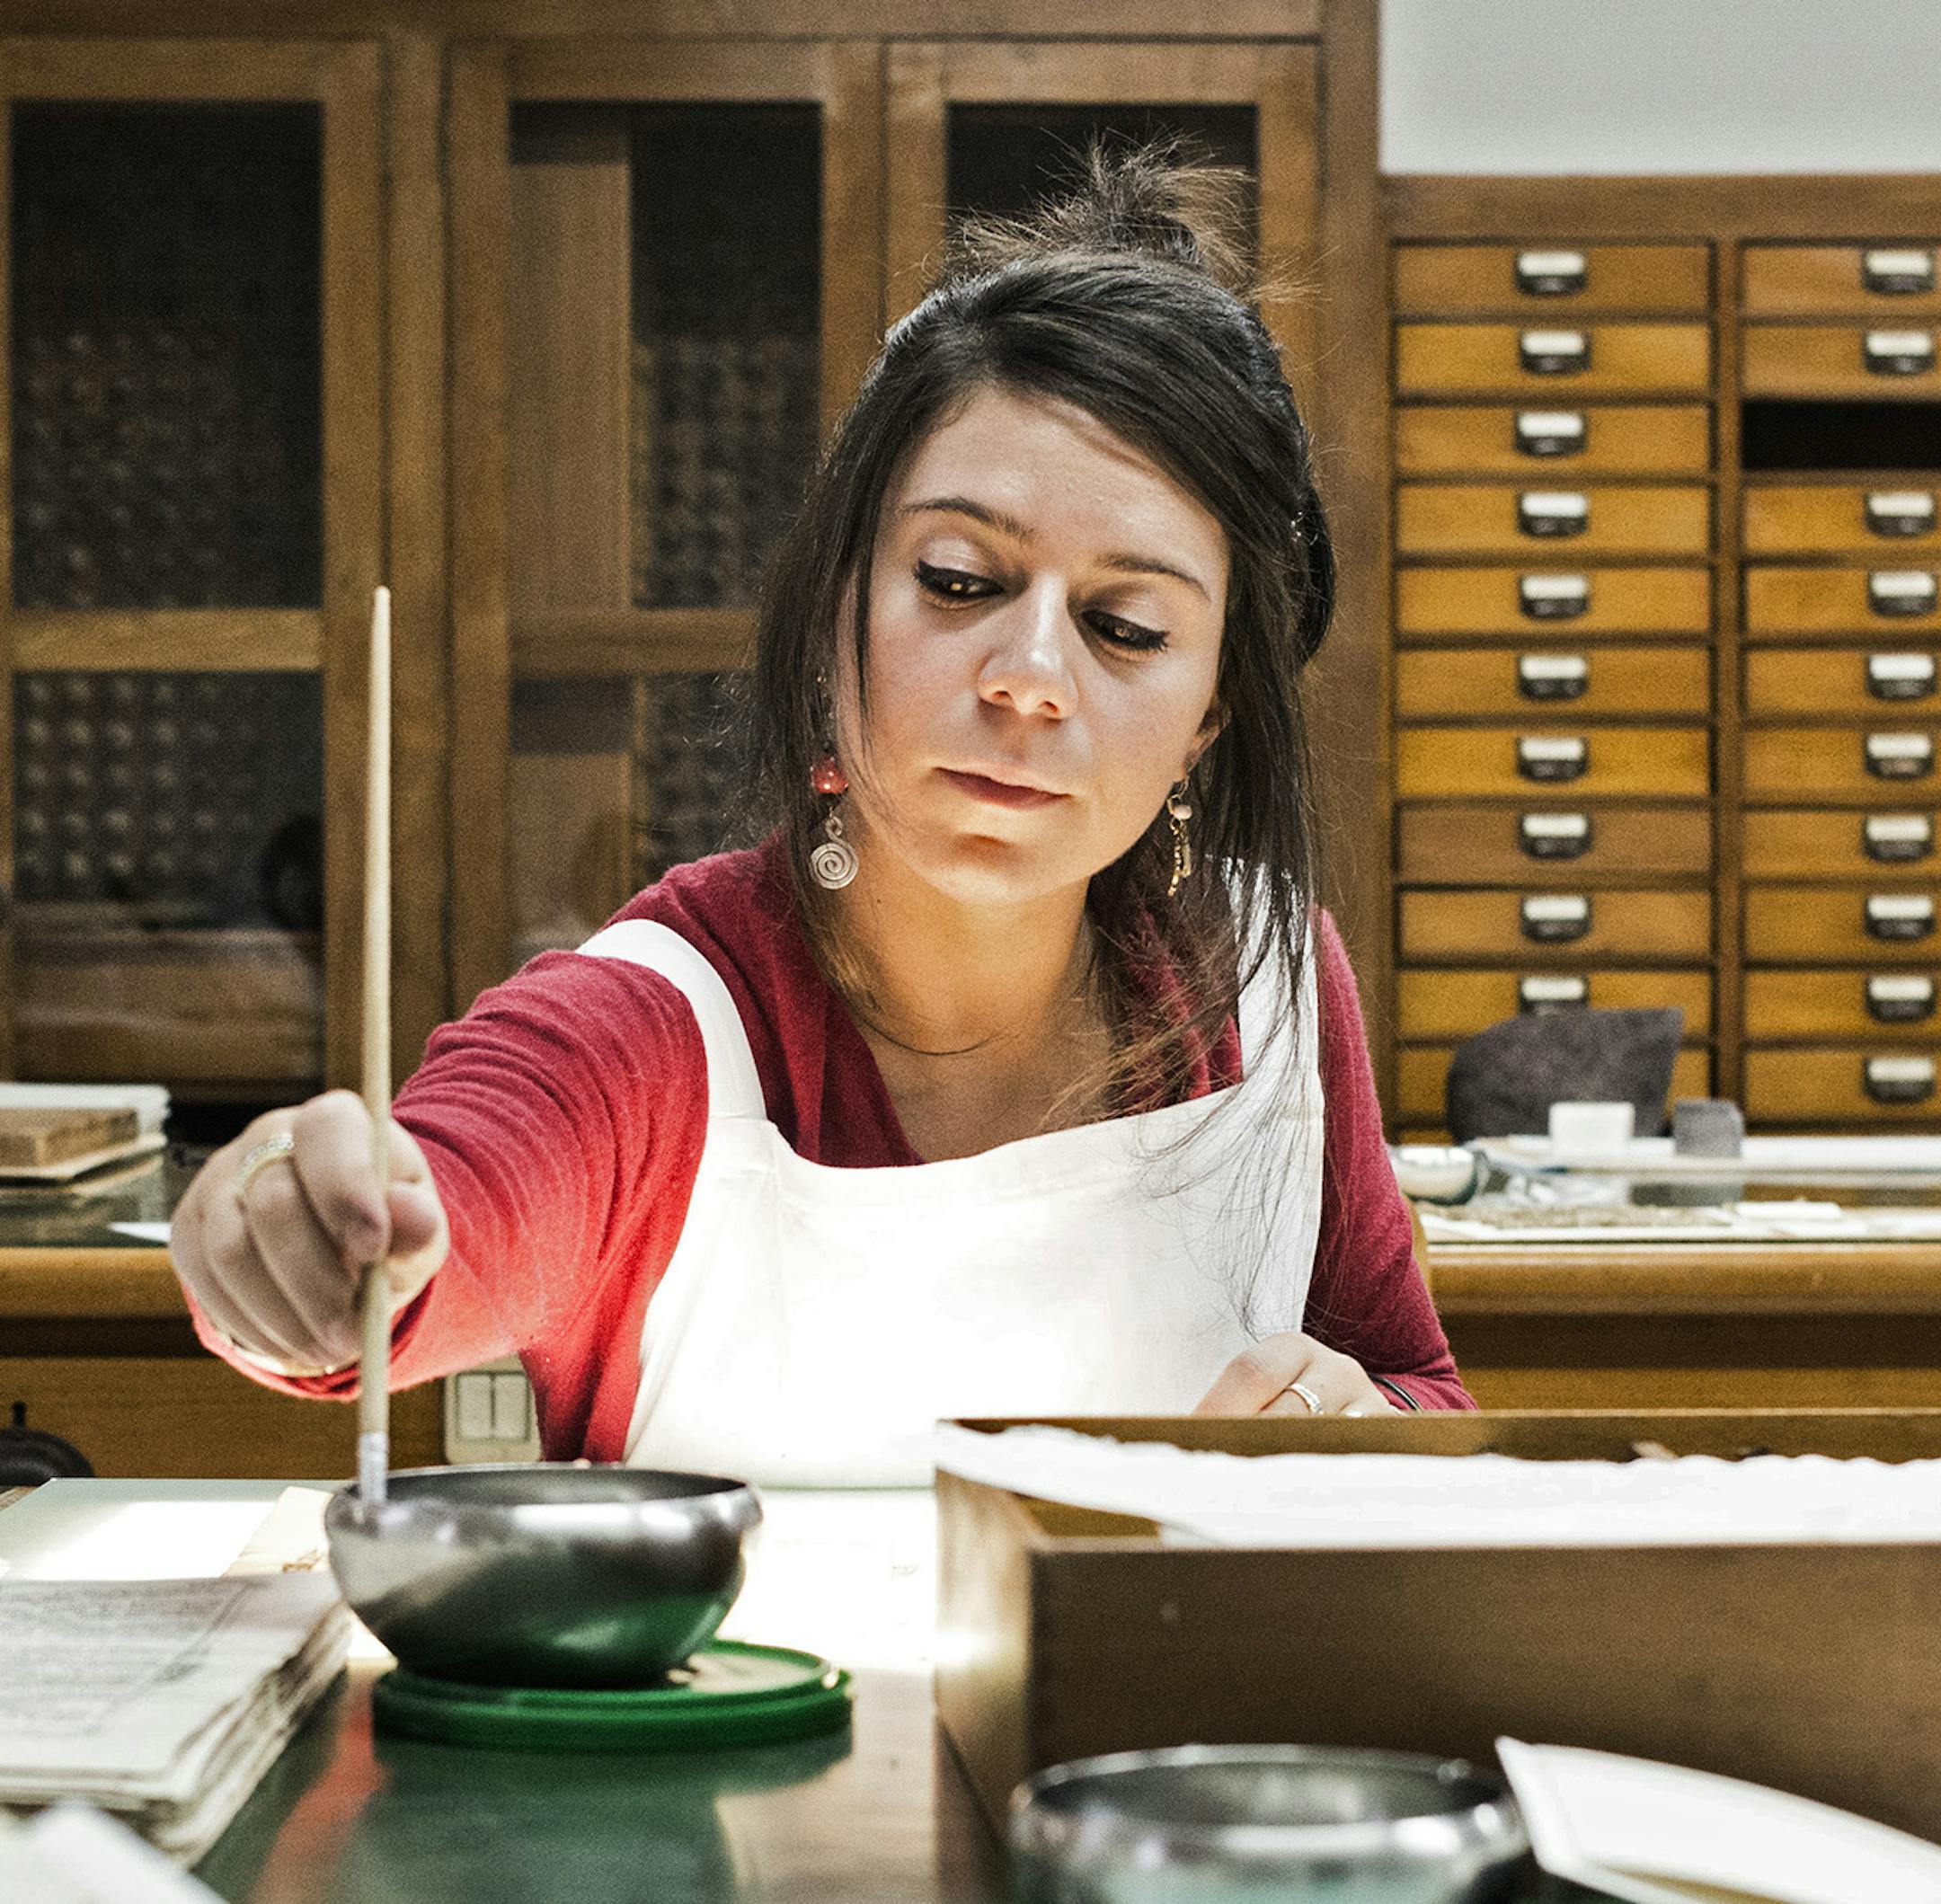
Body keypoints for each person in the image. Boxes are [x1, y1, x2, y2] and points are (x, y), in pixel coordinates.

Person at [171, 144, 1472, 1487]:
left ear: (1208, 716)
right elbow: (440, 1219)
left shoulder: (1267, 982)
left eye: (1125, 625)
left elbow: (1422, 1392)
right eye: (961, 581)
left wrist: (1360, 1433)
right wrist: (307, 1242)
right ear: (830, 617)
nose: (1029, 677)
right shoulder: (667, 1021)